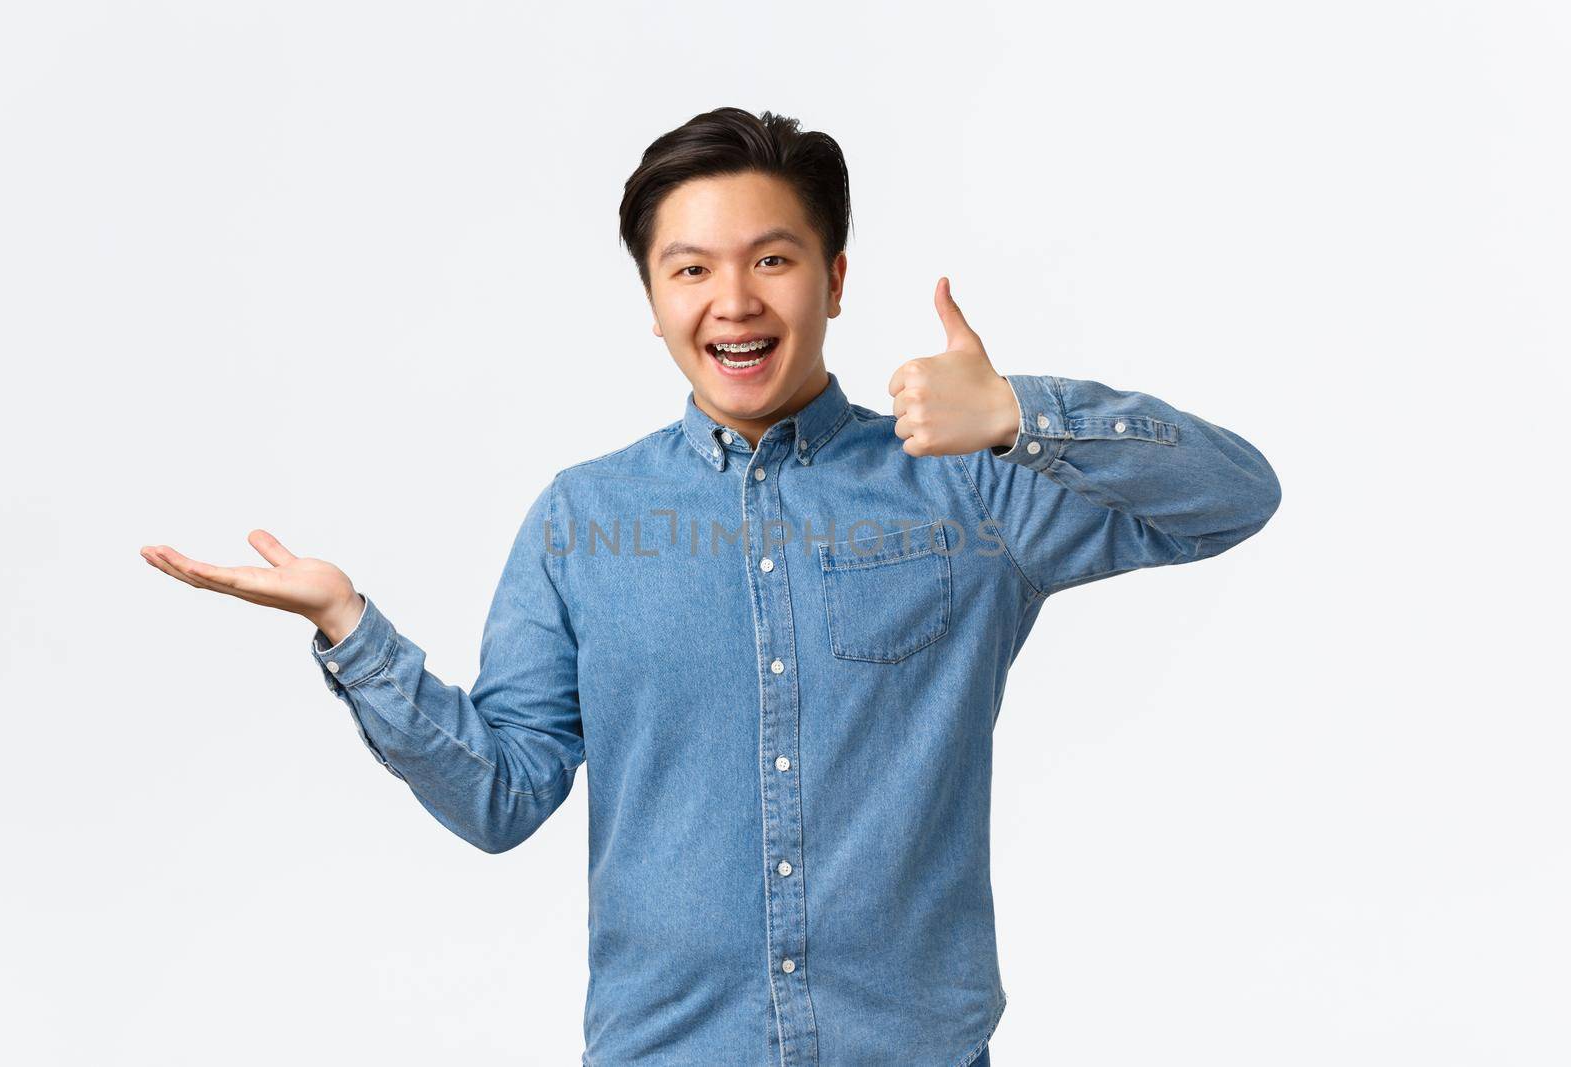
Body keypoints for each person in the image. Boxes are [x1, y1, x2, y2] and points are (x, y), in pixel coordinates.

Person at [141, 106, 1281, 1066]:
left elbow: (1230, 498)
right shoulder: (584, 519)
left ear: (834, 279)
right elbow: (502, 794)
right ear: (652, 298)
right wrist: (348, 627)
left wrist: (1025, 418)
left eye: (771, 259)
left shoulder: (965, 490)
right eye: (691, 268)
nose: (732, 300)